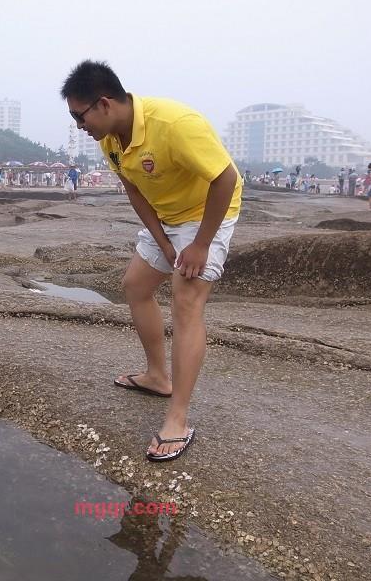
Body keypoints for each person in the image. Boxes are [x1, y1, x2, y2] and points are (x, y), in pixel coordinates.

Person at [62, 60, 242, 462]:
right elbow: (134, 189)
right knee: (135, 286)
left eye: (79, 116)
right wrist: (162, 240)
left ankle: (177, 418)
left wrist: (200, 244)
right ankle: (158, 376)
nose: (79, 127)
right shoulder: (109, 139)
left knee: (186, 300)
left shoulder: (175, 124)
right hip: (169, 216)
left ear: (104, 104)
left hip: (208, 213)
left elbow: (225, 178)